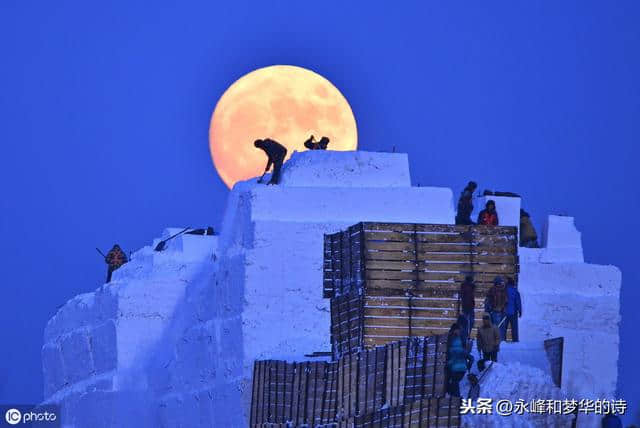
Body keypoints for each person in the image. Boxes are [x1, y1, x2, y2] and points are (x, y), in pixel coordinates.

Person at [445, 323, 469, 397]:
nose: (459, 332)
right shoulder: (450, 338)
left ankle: (456, 400)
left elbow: (463, 351)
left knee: (454, 383)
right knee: (454, 383)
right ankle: (456, 400)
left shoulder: (460, 338)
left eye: (459, 330)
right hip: (454, 365)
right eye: (458, 330)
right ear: (454, 330)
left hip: (459, 365)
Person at [504, 277, 522, 342]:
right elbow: (518, 302)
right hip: (513, 312)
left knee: (504, 328)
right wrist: (520, 311)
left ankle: (503, 340)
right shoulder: (515, 292)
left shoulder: (504, 290)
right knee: (514, 328)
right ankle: (515, 340)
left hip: (505, 312)